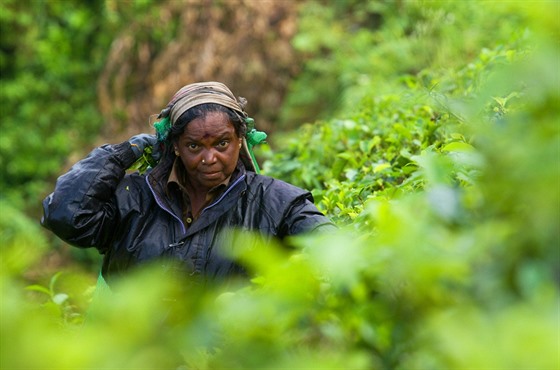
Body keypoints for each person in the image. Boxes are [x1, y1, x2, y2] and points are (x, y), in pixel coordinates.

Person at [41, 81, 334, 286]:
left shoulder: (274, 202)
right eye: (195, 146)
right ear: (176, 146)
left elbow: (332, 245)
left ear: (240, 139)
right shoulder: (135, 198)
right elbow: (66, 216)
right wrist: (124, 152)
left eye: (222, 143)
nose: (210, 158)